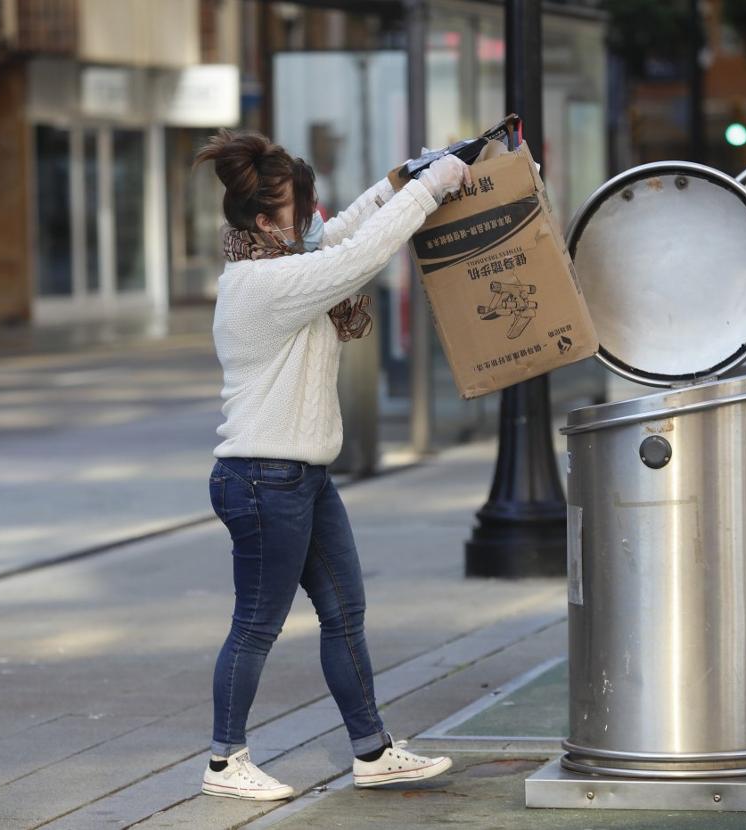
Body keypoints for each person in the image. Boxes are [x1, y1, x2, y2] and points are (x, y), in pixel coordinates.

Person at [193, 130, 472, 801]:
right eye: (301, 206)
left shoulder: (288, 256)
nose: (315, 213)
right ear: (264, 224)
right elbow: (361, 255)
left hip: (302, 478)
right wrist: (428, 192)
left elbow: (341, 231)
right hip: (263, 480)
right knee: (257, 625)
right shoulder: (265, 284)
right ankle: (224, 763)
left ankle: (371, 751)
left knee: (345, 612)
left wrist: (403, 178)